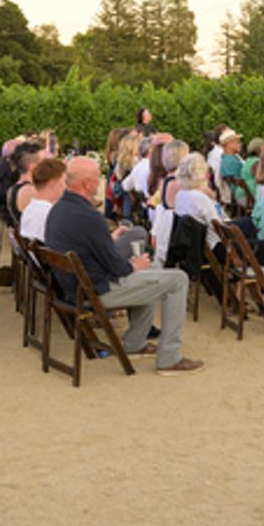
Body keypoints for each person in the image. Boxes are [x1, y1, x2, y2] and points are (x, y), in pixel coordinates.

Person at [43, 157, 203, 376]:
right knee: (178, 279)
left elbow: (99, 255)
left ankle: (135, 344)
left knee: (151, 274)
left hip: (77, 289)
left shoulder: (57, 210)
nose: (100, 180)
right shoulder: (89, 217)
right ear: (87, 184)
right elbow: (117, 267)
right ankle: (169, 358)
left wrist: (132, 265)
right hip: (96, 291)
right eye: (97, 177)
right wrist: (133, 266)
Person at [19, 157, 68, 243]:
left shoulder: (29, 209)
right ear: (53, 184)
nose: (66, 186)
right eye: (64, 181)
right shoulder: (51, 214)